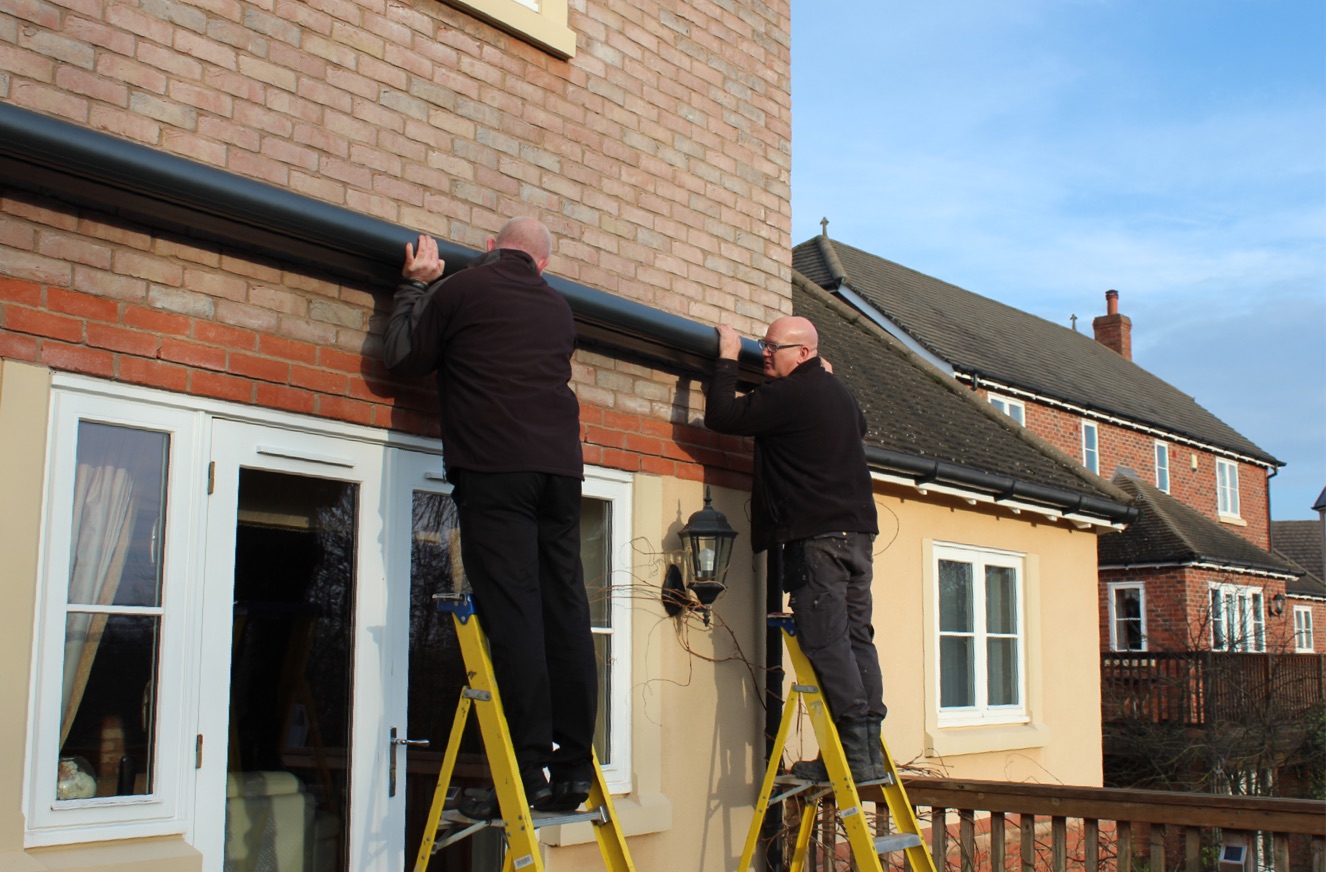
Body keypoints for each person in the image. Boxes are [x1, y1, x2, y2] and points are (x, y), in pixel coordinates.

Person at [383, 217, 597, 814]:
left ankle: (526, 774)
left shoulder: (463, 288)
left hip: (497, 469)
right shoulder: (558, 310)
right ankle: (575, 769)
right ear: (544, 264)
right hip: (561, 473)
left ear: (487, 248)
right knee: (565, 607)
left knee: (514, 614)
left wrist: (415, 287)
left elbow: (403, 358)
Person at [703, 316, 887, 783]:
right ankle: (865, 754)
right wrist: (826, 375)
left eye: (773, 346)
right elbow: (860, 424)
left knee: (825, 639)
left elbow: (722, 417)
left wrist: (727, 358)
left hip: (817, 538)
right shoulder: (835, 391)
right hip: (857, 537)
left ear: (802, 353)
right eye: (760, 345)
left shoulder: (787, 395)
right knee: (856, 637)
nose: (763, 352)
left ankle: (854, 757)